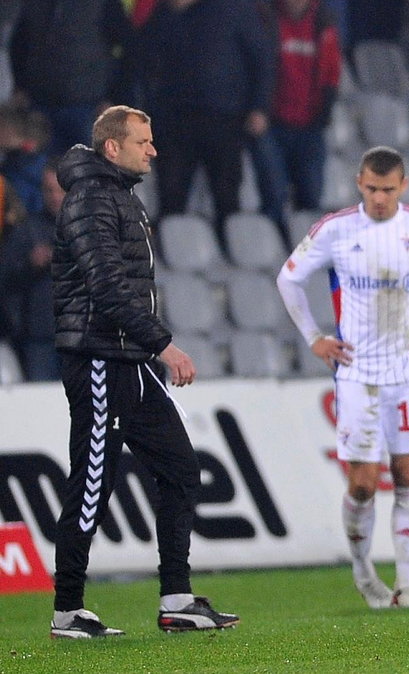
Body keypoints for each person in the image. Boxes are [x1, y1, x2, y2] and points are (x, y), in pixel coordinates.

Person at [49, 106, 238, 638]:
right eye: (143, 141)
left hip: (128, 360)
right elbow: (107, 287)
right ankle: (67, 610)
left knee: (180, 469)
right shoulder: (89, 200)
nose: (153, 150)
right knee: (92, 484)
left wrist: (147, 347)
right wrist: (165, 345)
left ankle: (177, 598)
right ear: (113, 148)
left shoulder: (119, 197)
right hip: (100, 360)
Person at [276, 146, 409, 609]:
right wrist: (314, 337)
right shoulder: (336, 230)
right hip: (357, 372)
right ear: (359, 183)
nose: (379, 198)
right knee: (364, 484)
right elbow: (288, 279)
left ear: (403, 186)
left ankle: (406, 584)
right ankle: (363, 570)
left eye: (388, 189)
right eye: (371, 188)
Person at [137, 0, 276, 250]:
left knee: (226, 197)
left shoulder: (235, 8)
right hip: (176, 122)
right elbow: (143, 56)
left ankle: (233, 256)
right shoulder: (166, 11)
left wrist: (259, 107)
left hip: (224, 120)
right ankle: (174, 255)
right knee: (171, 197)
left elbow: (261, 59)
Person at [251, 0, 342, 243]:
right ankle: (270, 251)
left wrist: (324, 113)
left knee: (310, 197)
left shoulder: (323, 24)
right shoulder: (267, 20)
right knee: (273, 194)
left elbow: (331, 72)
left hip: (310, 127)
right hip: (273, 125)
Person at [9, 0, 132, 155]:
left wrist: (114, 97)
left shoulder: (103, 4)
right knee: (33, 168)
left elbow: (128, 48)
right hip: (39, 102)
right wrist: (20, 87)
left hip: (87, 104)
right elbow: (19, 43)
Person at [0, 160, 59, 381]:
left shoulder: (92, 229)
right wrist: (31, 265)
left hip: (84, 339)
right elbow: (5, 278)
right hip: (40, 338)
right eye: (49, 190)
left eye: (60, 189)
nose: (54, 197)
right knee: (41, 406)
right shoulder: (27, 230)